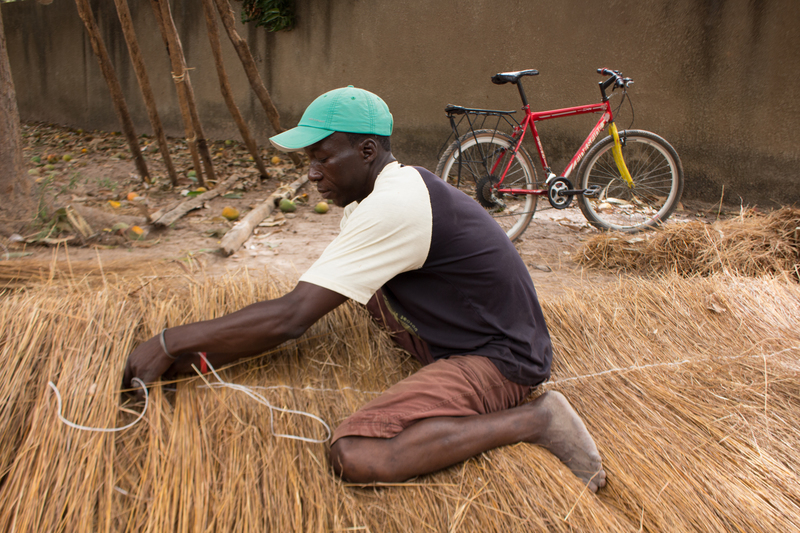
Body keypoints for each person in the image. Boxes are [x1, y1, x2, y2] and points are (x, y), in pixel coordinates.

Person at [123, 86, 606, 492]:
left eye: (322, 158)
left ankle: (535, 420)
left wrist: (171, 341)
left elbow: (292, 317)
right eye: (308, 160)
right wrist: (194, 358)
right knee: (350, 281)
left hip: (503, 359)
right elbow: (314, 294)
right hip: (472, 337)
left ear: (368, 151)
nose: (311, 174)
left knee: (355, 454)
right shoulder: (383, 196)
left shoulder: (394, 206)